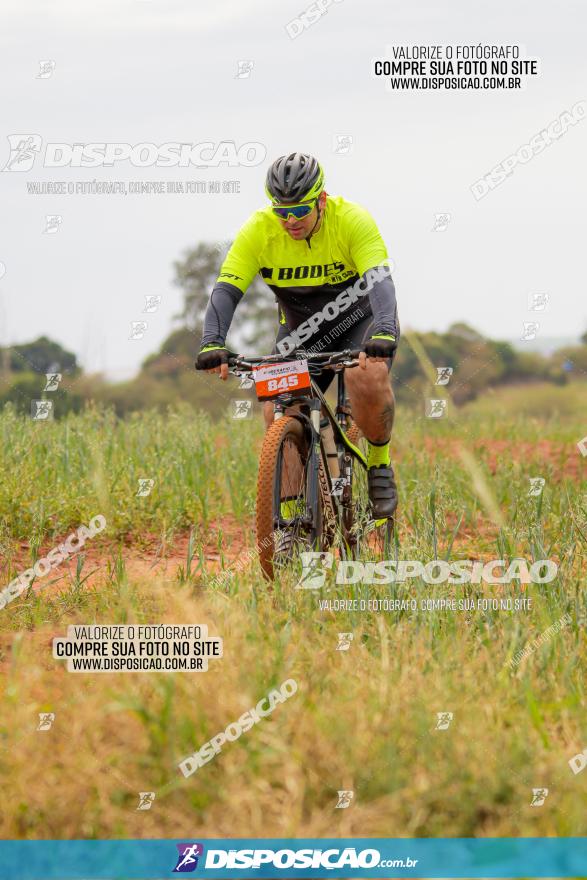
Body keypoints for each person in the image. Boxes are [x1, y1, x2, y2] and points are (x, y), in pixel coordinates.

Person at [195, 152, 399, 518]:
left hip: (360, 324)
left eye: (300, 210)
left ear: (321, 200)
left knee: (365, 376)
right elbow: (226, 289)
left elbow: (380, 283)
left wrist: (383, 331)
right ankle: (289, 519)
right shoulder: (259, 229)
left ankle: (380, 464)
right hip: (301, 331)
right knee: (277, 409)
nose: (290, 221)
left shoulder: (352, 220)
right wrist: (213, 340)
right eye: (281, 211)